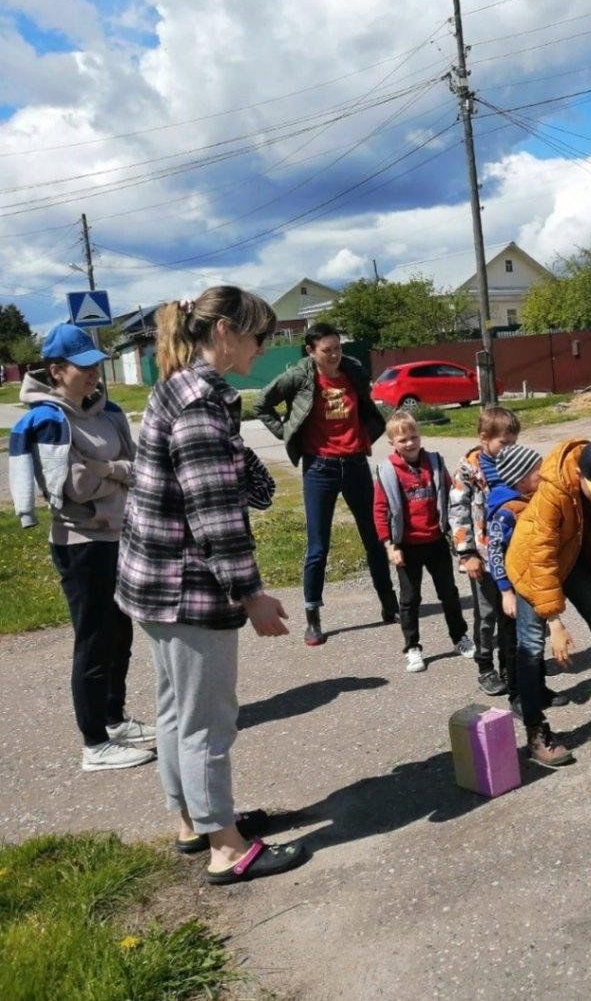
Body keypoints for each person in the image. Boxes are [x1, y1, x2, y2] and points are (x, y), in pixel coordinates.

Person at [117, 287, 305, 885]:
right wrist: (251, 596)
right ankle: (225, 846)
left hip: (154, 584)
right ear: (223, 331)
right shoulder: (199, 400)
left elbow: (230, 485)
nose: (264, 346)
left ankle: (192, 820)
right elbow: (215, 517)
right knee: (208, 720)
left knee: (177, 712)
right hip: (186, 586)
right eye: (258, 335)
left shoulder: (180, 386)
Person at [8, 325, 152, 771]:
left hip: (118, 535)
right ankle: (94, 744)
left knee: (121, 634)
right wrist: (116, 471)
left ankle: (113, 719)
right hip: (81, 544)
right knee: (93, 640)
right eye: (83, 367)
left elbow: (138, 464)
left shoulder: (105, 412)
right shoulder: (52, 420)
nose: (94, 375)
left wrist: (106, 468)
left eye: (96, 366)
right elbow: (74, 486)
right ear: (56, 370)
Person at [255, 322, 397, 645]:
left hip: (356, 463)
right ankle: (312, 619)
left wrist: (365, 436)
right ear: (311, 351)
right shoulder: (299, 375)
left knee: (374, 537)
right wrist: (286, 432)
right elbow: (261, 404)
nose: (334, 355)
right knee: (318, 546)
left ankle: (390, 604)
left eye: (337, 348)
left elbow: (367, 405)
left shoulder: (353, 370)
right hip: (319, 468)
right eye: (326, 350)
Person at [505, 439, 591, 751]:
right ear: (579, 474)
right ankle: (536, 731)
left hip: (574, 558)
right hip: (532, 566)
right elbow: (542, 557)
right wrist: (555, 623)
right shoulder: (553, 491)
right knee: (531, 646)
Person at [483, 443, 572, 767]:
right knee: (524, 647)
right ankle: (531, 718)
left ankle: (537, 692)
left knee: (530, 646)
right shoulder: (506, 510)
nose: (544, 474)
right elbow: (495, 554)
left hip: (538, 580)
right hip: (515, 586)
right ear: (521, 480)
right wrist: (505, 590)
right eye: (537, 470)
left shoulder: (534, 500)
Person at [372, 411, 473, 674]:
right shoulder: (387, 471)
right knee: (410, 598)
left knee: (448, 593)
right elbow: (380, 510)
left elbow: (452, 499)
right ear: (392, 443)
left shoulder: (435, 464)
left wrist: (458, 534)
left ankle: (459, 637)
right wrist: (389, 546)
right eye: (402, 439)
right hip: (406, 546)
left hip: (436, 540)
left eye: (413, 436)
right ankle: (413, 647)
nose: (409, 443)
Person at [451, 406, 521, 696]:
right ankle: (485, 666)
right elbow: (457, 513)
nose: (509, 449)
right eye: (504, 443)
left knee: (510, 614)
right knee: (487, 614)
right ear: (484, 439)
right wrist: (466, 554)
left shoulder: (513, 466)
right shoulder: (467, 471)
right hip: (481, 557)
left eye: (513, 443)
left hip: (511, 554)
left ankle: (509, 664)